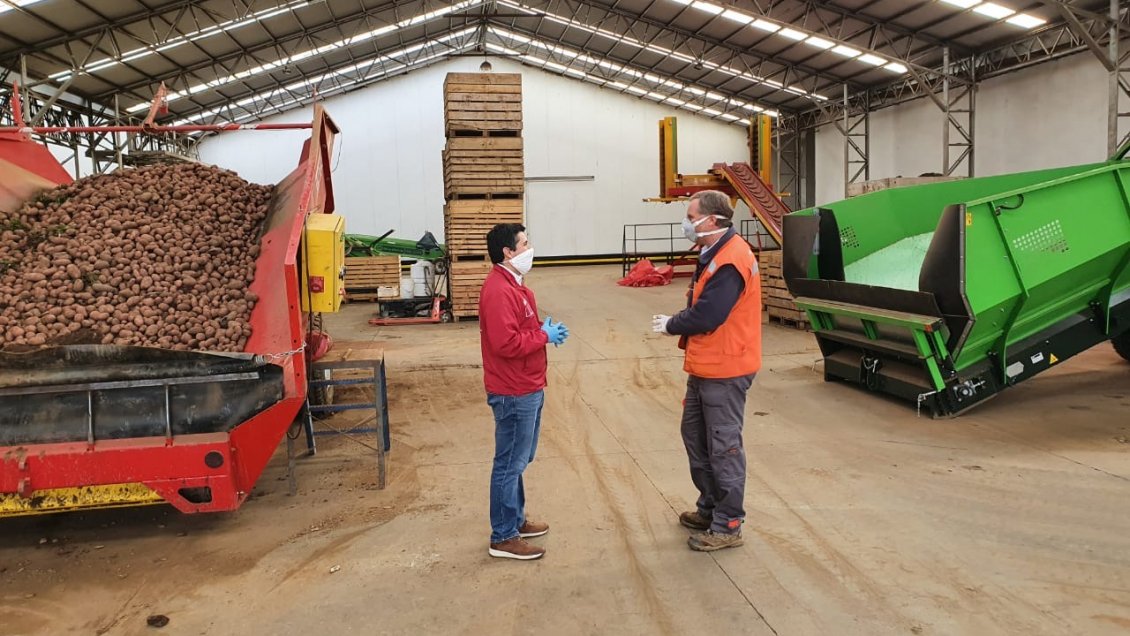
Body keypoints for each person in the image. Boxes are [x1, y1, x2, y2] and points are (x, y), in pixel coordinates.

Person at [651, 190, 762, 552]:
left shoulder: (731, 260)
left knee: (723, 446)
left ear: (711, 220)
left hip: (726, 368)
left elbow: (710, 314)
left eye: (690, 215)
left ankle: (728, 524)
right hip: (708, 365)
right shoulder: (713, 253)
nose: (686, 222)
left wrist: (672, 324)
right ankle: (710, 507)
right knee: (696, 437)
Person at [479, 223, 569, 560]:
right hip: (513, 389)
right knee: (509, 463)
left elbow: (521, 329)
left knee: (519, 458)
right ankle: (503, 536)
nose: (530, 249)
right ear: (508, 251)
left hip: (527, 383)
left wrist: (541, 330)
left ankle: (514, 519)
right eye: (525, 244)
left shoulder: (515, 286)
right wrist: (543, 337)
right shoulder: (499, 291)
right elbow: (506, 343)